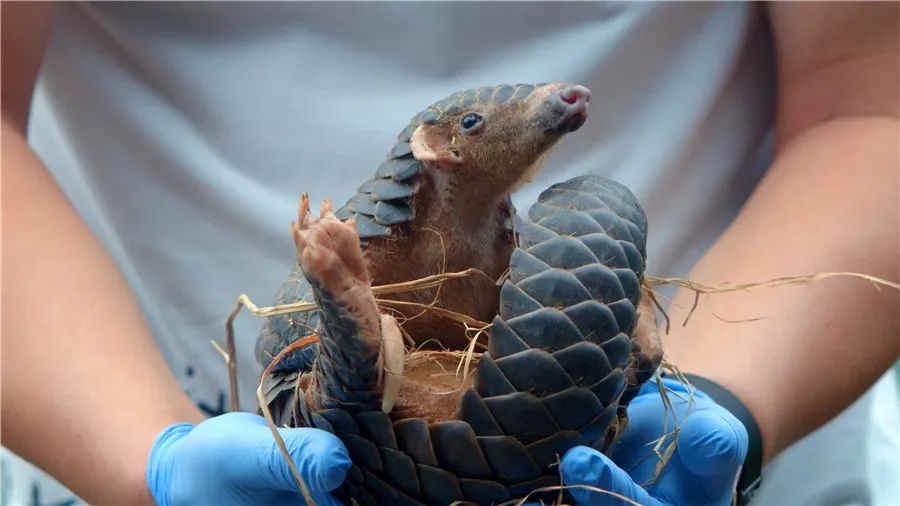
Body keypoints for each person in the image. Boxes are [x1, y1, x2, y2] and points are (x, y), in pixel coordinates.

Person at [2, 2, 897, 505]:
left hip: (715, 429)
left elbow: (872, 106)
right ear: (439, 149)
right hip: (139, 397)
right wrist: (143, 466)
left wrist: (720, 399)